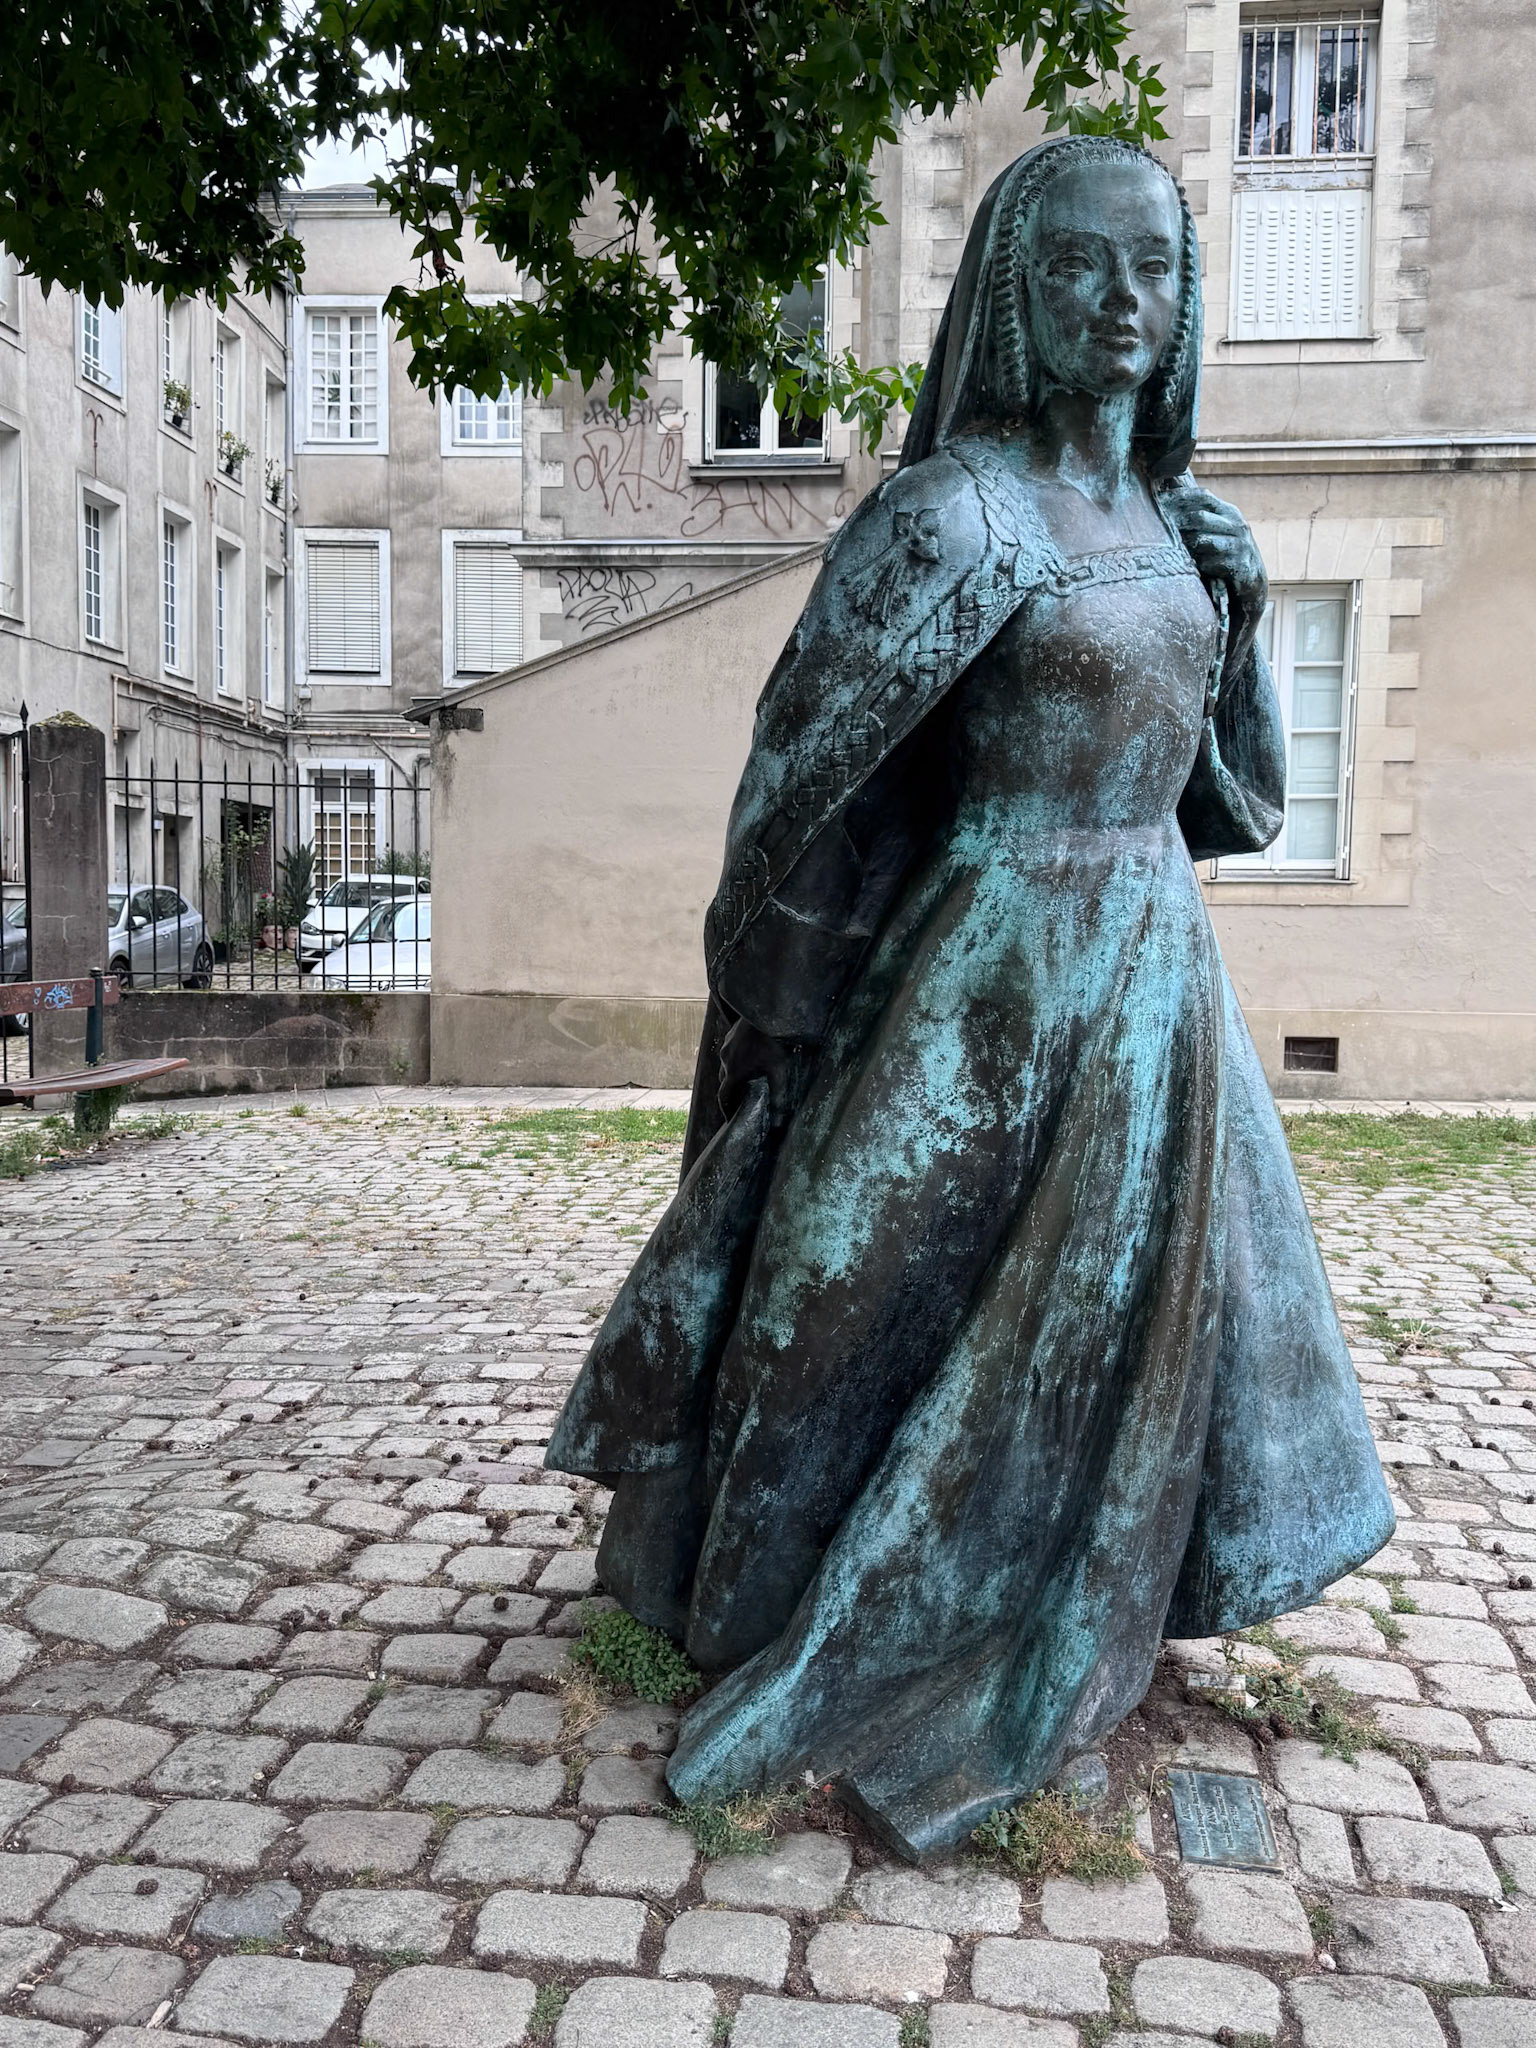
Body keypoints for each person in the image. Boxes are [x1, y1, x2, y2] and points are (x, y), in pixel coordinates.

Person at [547, 135, 1394, 1862]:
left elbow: (1228, 803)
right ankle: (751, 1592)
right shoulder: (949, 515)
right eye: (1080, 264)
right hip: (974, 968)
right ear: (1015, 288)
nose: (1122, 301)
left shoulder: (1180, 529)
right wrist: (785, 1004)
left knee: (1112, 1332)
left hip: (1147, 983)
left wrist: (1239, 612)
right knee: (838, 1290)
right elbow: (803, 774)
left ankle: (1049, 1600)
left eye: (1154, 267)